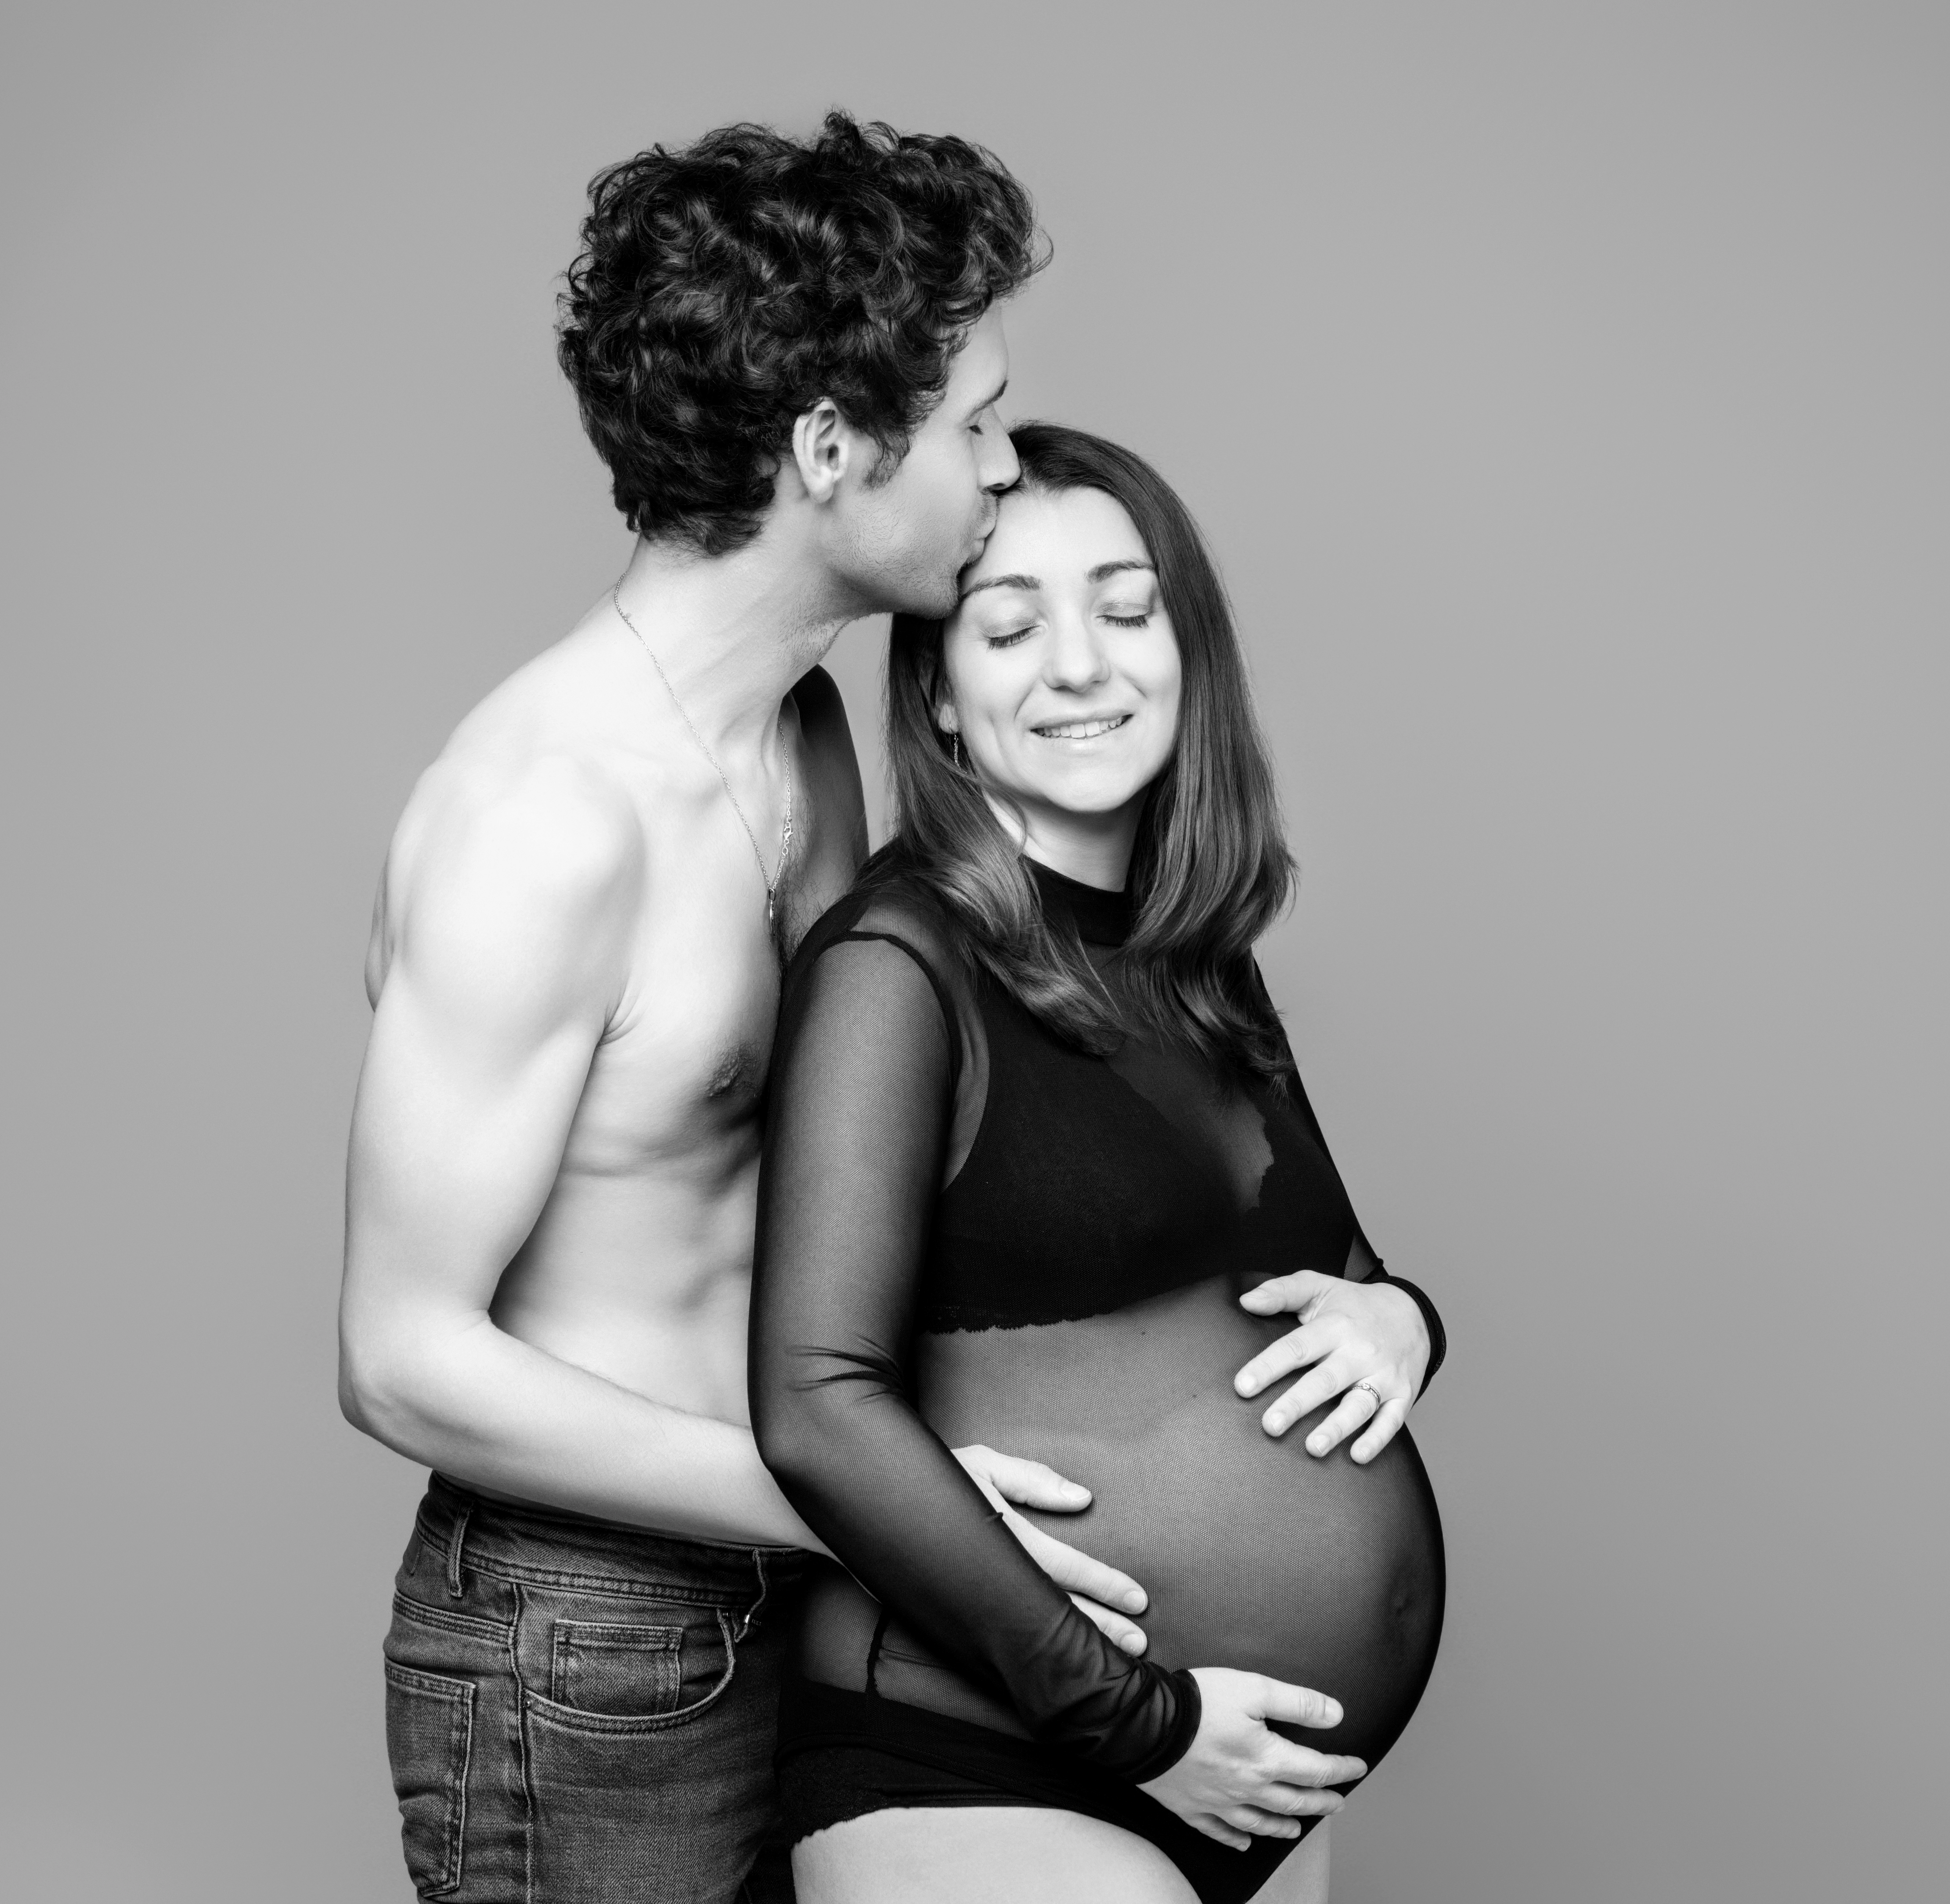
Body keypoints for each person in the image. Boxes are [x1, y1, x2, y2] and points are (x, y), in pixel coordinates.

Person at [336, 118, 1152, 1904]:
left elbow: (878, 1150)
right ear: (833, 450)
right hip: (589, 1647)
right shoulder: (544, 819)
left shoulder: (798, 730)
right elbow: (397, 1356)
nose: (1009, 468)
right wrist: (872, 1508)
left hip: (813, 1577)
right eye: (977, 425)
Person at [751, 424, 1449, 1904]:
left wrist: (1409, 1322)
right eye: (1011, 626)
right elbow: (815, 1408)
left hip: (1245, 1771)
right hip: (987, 1749)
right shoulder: (898, 963)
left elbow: (1337, 1272)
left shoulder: (1192, 957)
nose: (1082, 665)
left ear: (1188, 654)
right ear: (938, 692)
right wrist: (1145, 1724)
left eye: (1127, 611)